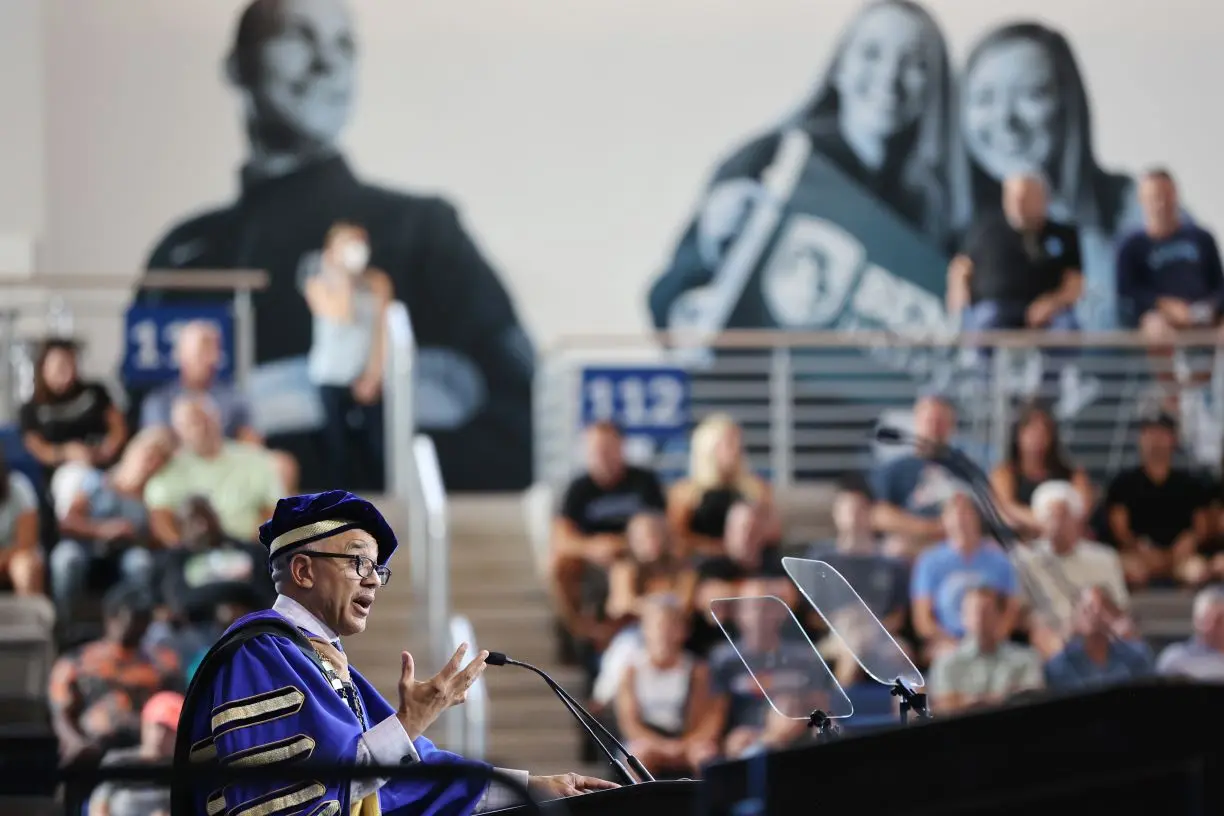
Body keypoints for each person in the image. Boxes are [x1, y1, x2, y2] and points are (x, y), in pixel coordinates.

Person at [141, 0, 534, 492]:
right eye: (298, 38)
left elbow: (516, 420)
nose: (327, 63)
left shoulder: (424, 230)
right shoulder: (185, 251)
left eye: (344, 45)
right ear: (238, 66)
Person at [177, 490, 614, 814]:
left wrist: (536, 787)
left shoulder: (321, 662)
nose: (371, 581)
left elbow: (413, 777)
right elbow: (292, 798)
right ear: (303, 570)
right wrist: (412, 719)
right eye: (357, 562)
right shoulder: (259, 655)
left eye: (377, 570)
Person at [648, 0, 954, 340]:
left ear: (934, 84)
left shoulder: (943, 197)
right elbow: (669, 303)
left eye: (915, 62)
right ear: (839, 67)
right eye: (870, 53)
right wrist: (711, 244)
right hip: (768, 386)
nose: (889, 75)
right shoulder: (767, 159)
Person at [951, 22, 1139, 332]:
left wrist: (1052, 304)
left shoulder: (1128, 207)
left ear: (1068, 102)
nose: (1006, 120)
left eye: (1032, 94)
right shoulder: (966, 221)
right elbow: (962, 272)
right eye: (984, 98)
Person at [140, 320, 299, 493]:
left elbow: (252, 443)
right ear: (181, 354)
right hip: (180, 467)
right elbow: (155, 445)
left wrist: (220, 455)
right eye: (201, 350)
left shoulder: (234, 396)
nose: (209, 358)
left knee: (282, 464)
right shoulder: (159, 401)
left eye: (213, 349)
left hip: (230, 465)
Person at [549, 422, 666, 654]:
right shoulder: (578, 488)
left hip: (638, 554)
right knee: (557, 566)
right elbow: (561, 538)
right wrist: (592, 547)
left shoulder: (644, 482)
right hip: (593, 558)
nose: (602, 455)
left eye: (607, 448)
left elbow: (661, 527)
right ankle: (579, 631)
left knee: (627, 570)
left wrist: (622, 544)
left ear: (621, 448)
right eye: (595, 449)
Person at [48, 584, 182, 767]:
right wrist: (76, 744)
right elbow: (61, 714)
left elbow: (176, 707)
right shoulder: (76, 661)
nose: (139, 626)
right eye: (133, 617)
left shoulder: (162, 662)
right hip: (94, 747)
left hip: (147, 750)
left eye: (144, 619)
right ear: (111, 617)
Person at [303, 221, 393, 491]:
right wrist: (343, 276)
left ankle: (379, 509)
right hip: (330, 375)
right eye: (349, 245)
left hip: (367, 376)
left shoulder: (378, 281)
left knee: (377, 447)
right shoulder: (317, 284)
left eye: (360, 244)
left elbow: (382, 331)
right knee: (337, 448)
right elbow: (343, 313)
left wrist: (374, 374)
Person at [52, 427, 175, 623]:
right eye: (147, 456)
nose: (149, 464)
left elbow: (158, 540)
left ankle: (135, 625)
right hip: (87, 546)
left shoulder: (152, 499)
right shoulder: (95, 481)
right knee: (67, 559)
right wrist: (103, 529)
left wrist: (134, 535)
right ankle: (65, 625)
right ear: (132, 452)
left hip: (126, 553)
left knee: (140, 563)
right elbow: (67, 522)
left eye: (158, 460)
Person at [947, 174, 1082, 334]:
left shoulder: (1063, 236)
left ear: (1043, 199)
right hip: (995, 309)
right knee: (984, 322)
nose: (1018, 204)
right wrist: (959, 295)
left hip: (1047, 313)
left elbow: (1075, 284)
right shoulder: (985, 231)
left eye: (1025, 198)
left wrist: (1052, 303)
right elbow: (961, 266)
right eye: (1013, 198)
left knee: (1065, 329)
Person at [144, 395, 281, 545]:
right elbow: (160, 518)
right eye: (194, 423)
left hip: (248, 547)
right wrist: (180, 549)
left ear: (219, 419)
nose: (203, 428)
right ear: (179, 431)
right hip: (192, 551)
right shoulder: (168, 469)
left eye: (207, 419)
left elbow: (272, 510)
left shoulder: (254, 458)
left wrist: (258, 546)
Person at [1014, 481, 1129, 657]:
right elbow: (1021, 613)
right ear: (1039, 522)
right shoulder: (1024, 559)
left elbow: (1120, 607)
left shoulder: (1104, 557)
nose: (1057, 524)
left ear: (1077, 519)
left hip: (1100, 632)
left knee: (1126, 630)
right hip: (1051, 635)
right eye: (1050, 517)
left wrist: (1099, 602)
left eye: (1063, 516)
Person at [613, 594, 721, 778]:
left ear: (683, 631)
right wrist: (661, 746)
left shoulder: (698, 671)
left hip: (686, 739)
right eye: (657, 626)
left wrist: (684, 745)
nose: (664, 633)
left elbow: (711, 718)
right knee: (637, 756)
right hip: (648, 740)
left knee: (706, 756)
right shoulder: (631, 670)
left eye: (671, 625)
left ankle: (705, 805)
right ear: (645, 630)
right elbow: (629, 723)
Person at [20, 339, 128, 514]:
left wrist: (103, 451)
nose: (66, 370)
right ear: (43, 367)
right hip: (64, 472)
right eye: (59, 365)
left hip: (105, 465)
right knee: (79, 487)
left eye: (70, 363)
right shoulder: (32, 408)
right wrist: (67, 453)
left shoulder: (95, 392)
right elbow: (37, 448)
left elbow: (118, 428)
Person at [1104, 412, 1211, 586]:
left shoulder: (1190, 484)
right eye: (1149, 433)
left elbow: (1201, 526)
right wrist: (1140, 547)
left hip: (1181, 557)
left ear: (1173, 439)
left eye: (1162, 434)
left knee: (1198, 572)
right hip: (1139, 557)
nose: (1155, 440)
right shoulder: (1123, 483)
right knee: (1124, 571)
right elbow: (1120, 530)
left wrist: (1190, 541)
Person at [910, 493, 1020, 659]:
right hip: (947, 642)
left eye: (966, 513)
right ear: (944, 520)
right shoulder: (929, 562)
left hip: (992, 640)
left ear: (978, 518)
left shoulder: (999, 560)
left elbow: (1012, 609)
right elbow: (923, 621)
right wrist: (955, 643)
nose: (960, 520)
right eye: (953, 514)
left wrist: (994, 637)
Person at [1117, 169, 1223, 336]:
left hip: (1204, 313)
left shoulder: (1201, 238)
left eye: (1166, 195)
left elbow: (1218, 284)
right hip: (1159, 317)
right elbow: (1127, 293)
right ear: (1141, 200)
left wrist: (1210, 308)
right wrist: (1164, 305)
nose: (1161, 204)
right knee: (1157, 329)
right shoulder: (1131, 246)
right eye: (1154, 197)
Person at [667, 413, 779, 556]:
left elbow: (774, 534)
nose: (736, 449)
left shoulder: (757, 489)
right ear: (708, 448)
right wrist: (721, 549)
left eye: (738, 442)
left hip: (751, 563)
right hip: (704, 563)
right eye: (729, 443)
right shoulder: (685, 493)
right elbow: (677, 539)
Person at [869, 394, 961, 557]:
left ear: (952, 426)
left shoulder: (967, 469)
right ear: (917, 423)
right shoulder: (895, 469)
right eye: (930, 421)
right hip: (911, 550)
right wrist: (929, 529)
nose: (935, 429)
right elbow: (878, 515)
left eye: (941, 423)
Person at [927, 586, 1043, 714]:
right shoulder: (946, 663)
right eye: (973, 612)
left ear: (1000, 615)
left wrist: (967, 700)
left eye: (986, 612)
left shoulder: (1026, 659)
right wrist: (1002, 698)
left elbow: (1031, 700)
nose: (979, 619)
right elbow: (945, 708)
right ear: (963, 617)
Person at [988, 402, 1093, 537]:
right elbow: (1007, 507)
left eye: (1043, 432)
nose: (1037, 439)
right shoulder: (1004, 473)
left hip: (1065, 543)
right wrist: (1045, 523)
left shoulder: (1073, 473)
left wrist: (1061, 522)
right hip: (1020, 543)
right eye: (1031, 432)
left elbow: (1082, 507)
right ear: (1019, 435)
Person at [87, 691, 183, 816]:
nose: (161, 735)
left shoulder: (182, 775)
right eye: (158, 726)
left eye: (169, 730)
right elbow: (97, 807)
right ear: (145, 724)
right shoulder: (119, 762)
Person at [1043, 587, 1152, 691]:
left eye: (1101, 609)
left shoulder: (1136, 655)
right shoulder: (1059, 666)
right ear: (1075, 615)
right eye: (1087, 609)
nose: (1095, 615)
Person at [1155, 586, 1224, 681]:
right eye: (1206, 620)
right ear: (1195, 621)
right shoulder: (1175, 659)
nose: (1211, 627)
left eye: (1218, 620)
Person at [0, 448, 44, 595]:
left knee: (23, 567)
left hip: (16, 558)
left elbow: (26, 545)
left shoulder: (18, 487)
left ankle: (29, 615)